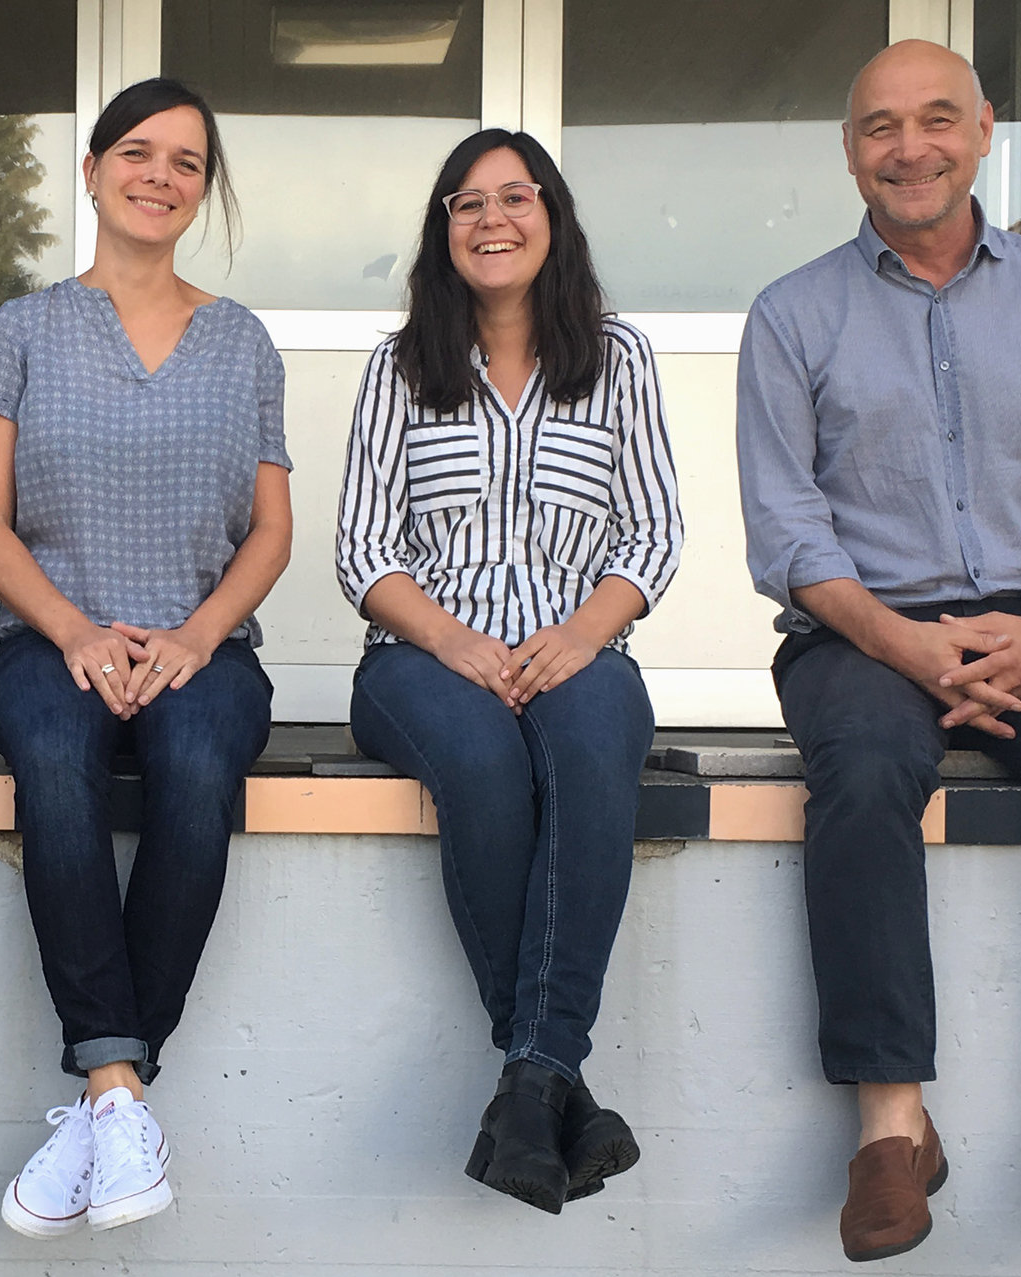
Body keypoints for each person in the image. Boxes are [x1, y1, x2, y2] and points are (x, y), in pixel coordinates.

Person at [735, 39, 1021, 1274]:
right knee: (863, 769)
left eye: (935, 119)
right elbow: (786, 530)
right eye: (878, 127)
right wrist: (907, 644)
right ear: (849, 152)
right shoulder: (790, 313)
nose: (909, 149)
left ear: (983, 130)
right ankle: (891, 1125)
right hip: (858, 628)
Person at [0, 77, 291, 1238]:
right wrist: (75, 631)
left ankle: (104, 1098)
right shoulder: (23, 328)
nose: (160, 176)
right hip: (53, 640)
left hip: (205, 648)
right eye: (138, 153)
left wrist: (196, 635)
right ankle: (118, 1087)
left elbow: (270, 531)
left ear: (203, 190)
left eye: (186, 162)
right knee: (54, 767)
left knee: (196, 772)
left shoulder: (241, 340)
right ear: (93, 170)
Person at [335, 129, 682, 1215]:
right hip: (419, 658)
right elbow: (362, 550)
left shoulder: (618, 359)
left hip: (580, 648)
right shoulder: (400, 366)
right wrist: (454, 641)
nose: (492, 219)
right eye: (467, 203)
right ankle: (552, 1072)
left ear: (552, 216)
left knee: (589, 751)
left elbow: (654, 531)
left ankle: (532, 1089)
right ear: (443, 229)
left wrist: (581, 633)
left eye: (514, 197)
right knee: (483, 762)